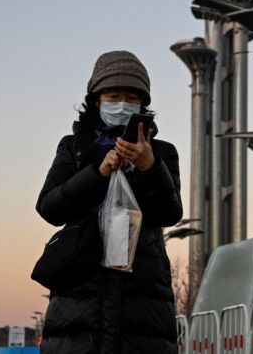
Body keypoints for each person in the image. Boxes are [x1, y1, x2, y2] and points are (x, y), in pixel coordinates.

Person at [36, 50, 183, 353]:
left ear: (144, 104)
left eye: (132, 97)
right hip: (79, 298)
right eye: (113, 95)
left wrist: (150, 166)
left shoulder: (163, 153)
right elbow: (50, 207)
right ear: (96, 99)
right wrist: (97, 173)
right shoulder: (74, 148)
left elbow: (170, 212)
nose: (122, 104)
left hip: (143, 299)